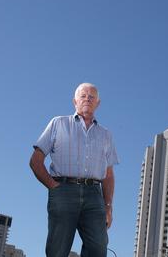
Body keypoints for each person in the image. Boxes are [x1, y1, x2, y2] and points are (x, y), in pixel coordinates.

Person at [29, 83, 119, 257]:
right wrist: (53, 186)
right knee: (58, 249)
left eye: (92, 97)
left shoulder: (106, 134)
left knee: (99, 249)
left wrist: (108, 206)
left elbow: (108, 175)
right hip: (63, 191)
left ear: (98, 103)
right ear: (74, 101)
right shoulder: (58, 123)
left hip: (94, 195)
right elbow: (35, 160)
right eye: (83, 96)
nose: (87, 99)